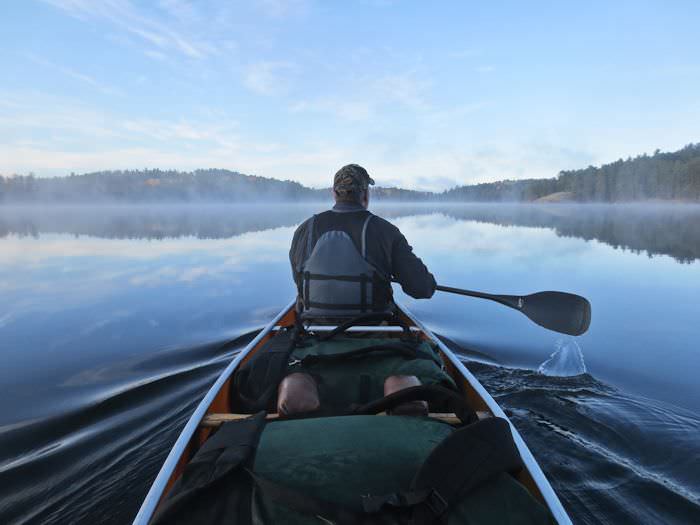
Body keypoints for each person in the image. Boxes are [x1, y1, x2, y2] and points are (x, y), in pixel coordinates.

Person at [289, 164, 437, 321]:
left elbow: (298, 279)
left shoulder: (305, 229)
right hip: (373, 330)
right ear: (365, 194)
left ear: (334, 193)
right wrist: (428, 283)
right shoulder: (386, 231)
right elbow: (421, 288)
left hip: (315, 330)